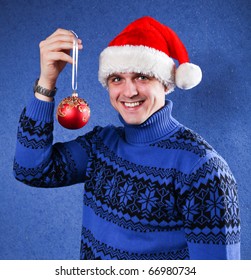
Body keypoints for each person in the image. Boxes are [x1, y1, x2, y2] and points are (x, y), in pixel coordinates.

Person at [13, 16, 241, 260]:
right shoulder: (100, 145)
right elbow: (31, 170)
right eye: (117, 79)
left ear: (166, 84)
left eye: (142, 77)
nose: (129, 91)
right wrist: (47, 82)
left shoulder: (203, 169)